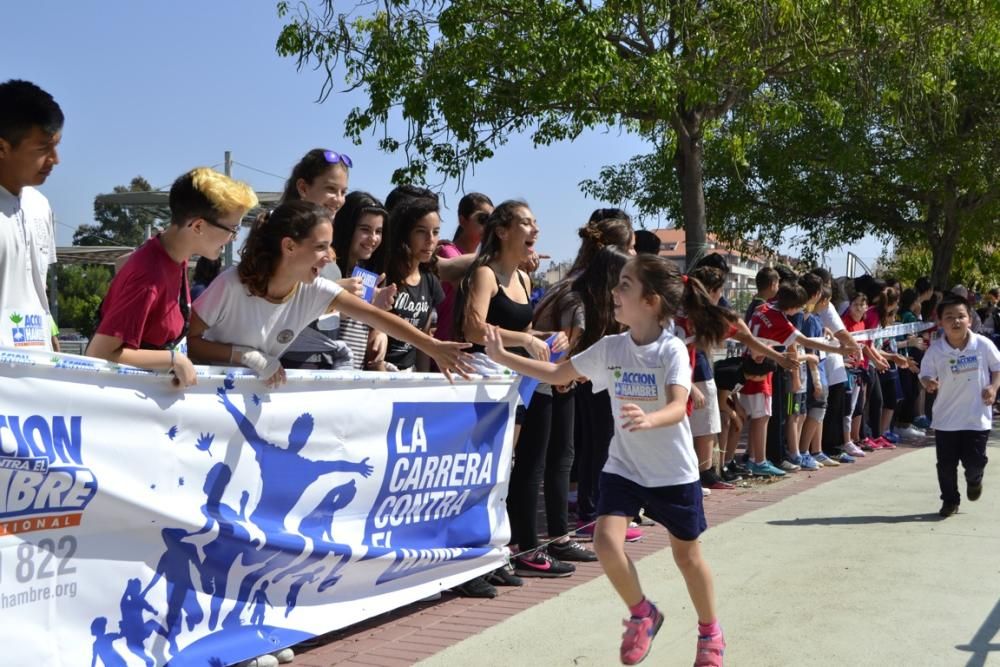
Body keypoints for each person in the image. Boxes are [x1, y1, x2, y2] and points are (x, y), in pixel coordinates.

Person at [483, 254, 726, 667]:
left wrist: (651, 419)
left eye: (624, 285)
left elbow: (678, 405)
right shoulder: (612, 347)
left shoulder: (671, 350)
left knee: (687, 557)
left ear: (649, 300)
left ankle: (710, 633)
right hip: (625, 467)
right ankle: (642, 613)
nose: (614, 292)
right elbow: (559, 375)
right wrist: (502, 356)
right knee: (605, 541)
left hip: (672, 471)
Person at [188, 200, 472, 387]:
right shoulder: (231, 284)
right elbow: (190, 342)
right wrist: (246, 357)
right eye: (320, 247)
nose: (329, 257)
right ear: (289, 246)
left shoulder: (315, 289)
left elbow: (377, 317)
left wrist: (432, 346)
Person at [453, 200, 573, 577]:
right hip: (484, 383)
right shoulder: (485, 273)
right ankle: (477, 556)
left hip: (514, 383)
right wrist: (525, 340)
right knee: (486, 471)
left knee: (507, 470)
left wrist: (546, 336)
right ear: (503, 231)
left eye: (536, 223)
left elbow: (519, 333)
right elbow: (473, 329)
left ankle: (504, 549)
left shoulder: (523, 278)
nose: (535, 230)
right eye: (526, 223)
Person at [87, 168, 258, 387]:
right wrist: (173, 360)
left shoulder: (172, 258)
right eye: (232, 229)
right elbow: (99, 353)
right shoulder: (149, 274)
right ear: (198, 226)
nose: (233, 239)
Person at [919, 294, 1000, 517]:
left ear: (969, 320)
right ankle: (950, 501)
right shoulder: (936, 350)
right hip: (946, 419)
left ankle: (974, 480)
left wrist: (993, 388)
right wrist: (928, 382)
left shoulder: (983, 345)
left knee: (974, 463)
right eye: (949, 317)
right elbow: (924, 373)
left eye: (961, 316)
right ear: (941, 322)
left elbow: (997, 367)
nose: (956, 321)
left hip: (976, 417)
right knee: (946, 465)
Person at [0, 79, 61, 350]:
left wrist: (52, 337)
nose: (54, 159)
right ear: (2, 148)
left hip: (39, 371)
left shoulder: (41, 205)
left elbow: (39, 286)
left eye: (56, 146)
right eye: (42, 149)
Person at [381, 196, 446, 371]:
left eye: (436, 232)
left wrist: (422, 380)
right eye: (421, 231)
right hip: (377, 372)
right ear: (405, 232)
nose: (430, 239)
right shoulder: (383, 271)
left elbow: (423, 342)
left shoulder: (430, 280)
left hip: (409, 374)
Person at [331, 191, 389, 370]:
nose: (373, 238)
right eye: (365, 230)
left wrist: (380, 329)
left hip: (354, 378)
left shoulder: (371, 274)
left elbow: (364, 326)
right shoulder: (326, 268)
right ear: (347, 227)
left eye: (378, 231)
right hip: (322, 375)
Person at [435, 193, 493, 342]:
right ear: (462, 220)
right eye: (482, 219)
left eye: (493, 221)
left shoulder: (485, 260)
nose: (489, 226)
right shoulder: (448, 252)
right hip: (446, 346)